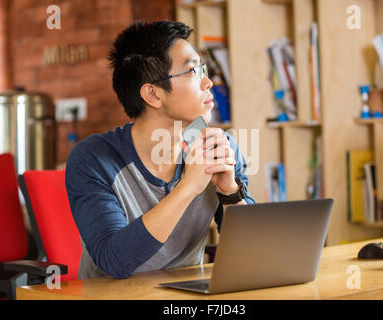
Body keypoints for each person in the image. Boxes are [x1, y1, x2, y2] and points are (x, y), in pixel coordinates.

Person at [65, 20, 255, 280]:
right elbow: (114, 261)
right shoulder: (94, 159)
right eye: (192, 72)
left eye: (203, 69)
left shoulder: (219, 145)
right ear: (153, 95)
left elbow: (251, 252)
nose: (208, 82)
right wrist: (188, 187)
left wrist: (229, 191)